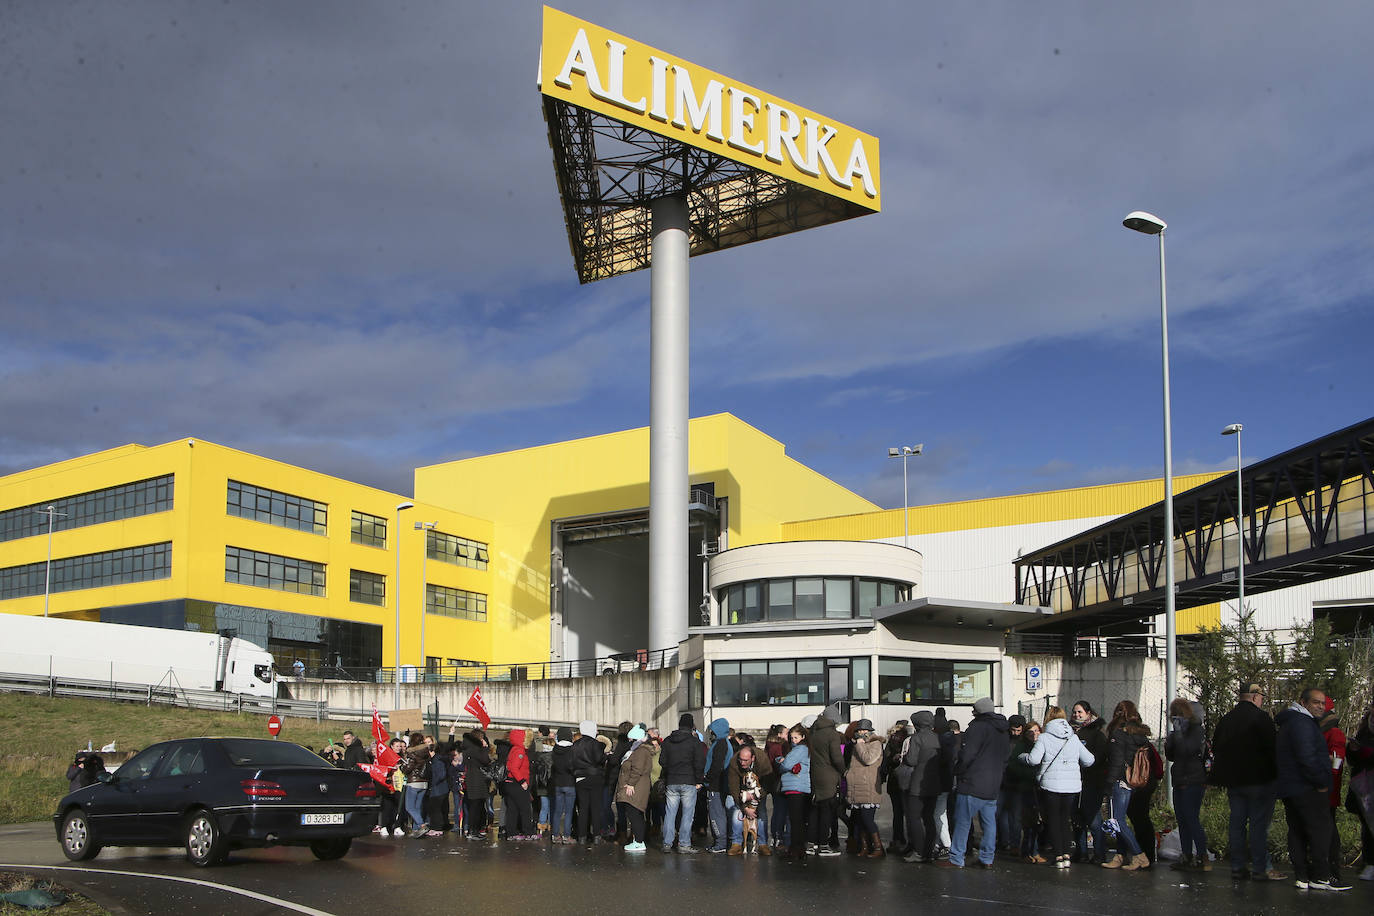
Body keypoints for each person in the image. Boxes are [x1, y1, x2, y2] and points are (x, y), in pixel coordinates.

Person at [1276, 687, 1350, 891]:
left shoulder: (1292, 722)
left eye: (1322, 703)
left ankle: (1303, 876)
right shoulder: (1303, 724)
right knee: (1320, 831)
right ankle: (1320, 876)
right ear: (1303, 702)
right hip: (1307, 787)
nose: (1321, 707)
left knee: (1298, 831)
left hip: (1292, 786)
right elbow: (1306, 757)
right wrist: (1320, 783)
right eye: (1316, 702)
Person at [1208, 681, 1281, 880]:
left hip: (1234, 781)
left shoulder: (1227, 719)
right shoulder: (1262, 718)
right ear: (1256, 697)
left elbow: (1216, 747)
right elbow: (1273, 749)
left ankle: (1237, 866)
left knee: (1237, 824)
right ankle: (1260, 868)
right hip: (1260, 780)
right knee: (1258, 826)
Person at [940, 697, 1010, 870]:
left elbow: (967, 754)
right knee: (989, 823)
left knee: (963, 821)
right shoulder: (1003, 730)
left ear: (977, 712)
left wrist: (958, 770)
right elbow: (1006, 756)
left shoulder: (977, 727)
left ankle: (956, 858)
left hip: (973, 782)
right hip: (993, 784)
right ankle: (987, 858)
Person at [1021, 710, 1093, 869]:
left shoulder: (1045, 737)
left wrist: (1023, 757)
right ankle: (1067, 854)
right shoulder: (1073, 737)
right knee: (1065, 819)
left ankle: (1059, 856)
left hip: (1051, 785)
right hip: (1072, 786)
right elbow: (1089, 760)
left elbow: (1034, 760)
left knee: (1053, 820)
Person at [1101, 700, 1150, 871]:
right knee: (1120, 820)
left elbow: (1116, 762)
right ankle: (1119, 856)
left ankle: (1139, 855)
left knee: (1117, 820)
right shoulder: (1139, 736)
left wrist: (1109, 784)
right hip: (1133, 781)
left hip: (1119, 780)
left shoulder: (1118, 734)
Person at [1165, 698, 1210, 871]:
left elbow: (1187, 750)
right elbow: (1172, 755)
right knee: (1182, 819)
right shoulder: (1179, 731)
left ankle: (1202, 856)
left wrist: (1177, 735)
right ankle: (1186, 855)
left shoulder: (1196, 729)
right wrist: (1171, 740)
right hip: (1180, 778)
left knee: (1192, 818)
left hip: (1193, 779)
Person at [659, 713, 706, 853]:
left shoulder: (668, 741)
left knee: (670, 813)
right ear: (691, 726)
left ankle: (667, 843)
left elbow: (662, 761)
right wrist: (698, 780)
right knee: (687, 815)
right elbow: (699, 763)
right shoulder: (694, 742)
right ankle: (684, 844)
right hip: (689, 781)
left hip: (672, 780)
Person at [1071, 700, 1109, 864]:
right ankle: (1081, 852)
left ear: (1088, 713)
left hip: (1092, 781)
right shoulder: (1071, 732)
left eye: (1080, 712)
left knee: (1093, 819)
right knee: (1076, 819)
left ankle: (1100, 853)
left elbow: (1100, 758)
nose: (1077, 715)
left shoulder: (1097, 734)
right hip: (1074, 781)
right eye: (1075, 712)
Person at [901, 710, 942, 863]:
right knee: (929, 818)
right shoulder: (938, 738)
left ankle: (918, 851)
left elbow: (911, 761)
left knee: (914, 818)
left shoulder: (916, 738)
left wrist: (904, 757)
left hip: (918, 783)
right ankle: (929, 851)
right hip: (934, 783)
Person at [808, 705, 846, 857]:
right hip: (829, 776)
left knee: (814, 811)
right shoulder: (832, 734)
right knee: (826, 812)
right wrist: (844, 771)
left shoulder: (813, 732)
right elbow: (836, 757)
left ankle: (811, 844)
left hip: (815, 774)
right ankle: (824, 845)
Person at [843, 719, 885, 858]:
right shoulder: (856, 745)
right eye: (859, 731)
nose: (861, 733)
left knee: (868, 819)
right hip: (857, 787)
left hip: (868, 787)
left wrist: (860, 745)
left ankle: (878, 847)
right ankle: (865, 847)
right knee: (860, 820)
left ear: (870, 731)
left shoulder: (876, 744)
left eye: (864, 730)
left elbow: (868, 759)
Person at [615, 724, 657, 852]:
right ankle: (638, 840)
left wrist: (631, 784)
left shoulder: (640, 751)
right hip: (637, 786)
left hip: (635, 787)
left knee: (634, 814)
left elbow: (637, 769)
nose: (629, 741)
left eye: (631, 739)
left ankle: (638, 841)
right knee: (636, 814)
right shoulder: (641, 750)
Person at [728, 741, 774, 855]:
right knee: (736, 812)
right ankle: (736, 844)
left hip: (759, 790)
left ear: (752, 758)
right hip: (742, 791)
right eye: (741, 760)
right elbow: (734, 789)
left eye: (745, 760)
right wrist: (745, 808)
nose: (742, 763)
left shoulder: (763, 760)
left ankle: (763, 844)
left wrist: (754, 800)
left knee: (762, 812)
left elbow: (767, 783)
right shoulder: (734, 763)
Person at [1346, 702, 1374, 882]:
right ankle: (1370, 863)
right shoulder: (1365, 727)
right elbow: (1354, 758)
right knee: (1368, 825)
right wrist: (1354, 750)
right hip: (1366, 786)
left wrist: (1365, 752)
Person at [1319, 701, 1347, 883]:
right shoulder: (1326, 732)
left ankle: (1331, 869)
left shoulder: (1334, 733)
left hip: (1327, 788)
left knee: (1328, 828)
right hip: (1326, 787)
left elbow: (1336, 763)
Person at [571, 720, 607, 846]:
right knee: (595, 807)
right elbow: (598, 759)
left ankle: (582, 836)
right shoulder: (595, 744)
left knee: (583, 808)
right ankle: (596, 835)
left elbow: (572, 762)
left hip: (580, 778)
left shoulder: (575, 745)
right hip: (595, 777)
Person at [780, 723, 811, 861]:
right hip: (799, 786)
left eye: (796, 737)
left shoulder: (800, 749)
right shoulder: (803, 749)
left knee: (795, 820)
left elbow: (786, 764)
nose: (793, 740)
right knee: (797, 819)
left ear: (803, 737)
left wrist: (782, 762)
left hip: (795, 786)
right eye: (792, 737)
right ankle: (798, 847)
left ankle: (796, 848)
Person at [998, 715, 1029, 855]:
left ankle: (1013, 843)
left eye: (1018, 730)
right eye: (1013, 730)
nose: (1015, 733)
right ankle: (1006, 842)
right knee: (1002, 814)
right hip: (1005, 782)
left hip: (1016, 783)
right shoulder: (1009, 740)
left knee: (1013, 816)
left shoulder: (1022, 742)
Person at [703, 717, 734, 853]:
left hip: (716, 785)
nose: (710, 733)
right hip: (720, 783)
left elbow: (717, 765)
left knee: (716, 815)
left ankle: (720, 843)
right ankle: (722, 842)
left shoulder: (720, 744)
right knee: (721, 813)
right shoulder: (724, 743)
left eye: (712, 731)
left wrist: (707, 778)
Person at [504, 728, 536, 839]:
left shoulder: (513, 749)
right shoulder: (520, 751)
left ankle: (511, 832)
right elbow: (514, 767)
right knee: (525, 808)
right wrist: (522, 781)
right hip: (517, 783)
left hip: (510, 782)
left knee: (512, 809)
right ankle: (528, 832)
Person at [400, 733, 432, 839]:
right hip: (424, 783)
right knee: (417, 807)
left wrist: (402, 767)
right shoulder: (426, 752)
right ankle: (415, 828)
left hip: (414, 782)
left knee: (409, 807)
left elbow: (408, 768)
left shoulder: (412, 753)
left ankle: (422, 825)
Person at [765, 724, 790, 852]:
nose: (788, 735)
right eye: (786, 733)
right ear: (779, 735)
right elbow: (781, 764)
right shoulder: (778, 747)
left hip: (773, 782)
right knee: (781, 811)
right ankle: (778, 836)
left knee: (778, 811)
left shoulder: (770, 745)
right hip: (778, 783)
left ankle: (776, 836)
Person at [462, 730, 491, 839]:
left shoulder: (468, 749)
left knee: (475, 806)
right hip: (476, 780)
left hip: (472, 779)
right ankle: (472, 830)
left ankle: (473, 829)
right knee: (475, 807)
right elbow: (485, 760)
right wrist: (485, 748)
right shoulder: (475, 750)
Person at [550, 726, 577, 844]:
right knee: (569, 811)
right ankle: (566, 835)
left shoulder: (555, 750)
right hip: (570, 783)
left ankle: (555, 835)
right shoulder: (573, 750)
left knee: (557, 811)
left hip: (558, 783)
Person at [531, 726, 554, 837]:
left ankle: (541, 825)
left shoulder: (539, 755)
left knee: (543, 806)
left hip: (541, 784)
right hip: (552, 784)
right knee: (552, 807)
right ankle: (551, 824)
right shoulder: (554, 756)